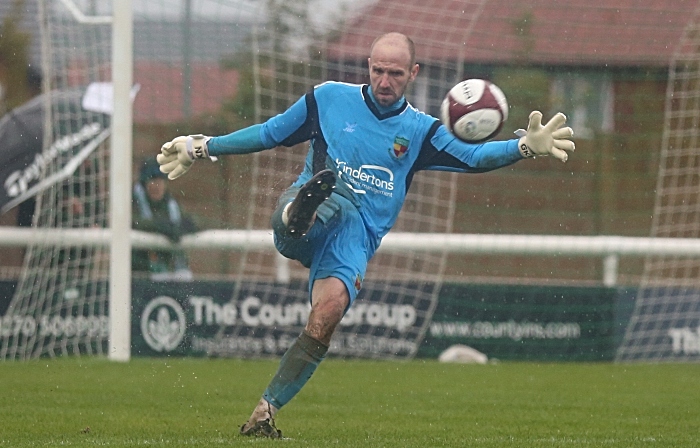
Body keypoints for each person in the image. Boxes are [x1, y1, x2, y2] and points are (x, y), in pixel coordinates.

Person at [156, 32, 575, 438]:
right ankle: (296, 215)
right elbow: (269, 133)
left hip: (357, 237)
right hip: (325, 194)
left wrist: (523, 147)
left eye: (395, 73)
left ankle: (264, 412)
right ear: (367, 67)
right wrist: (202, 146)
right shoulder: (328, 99)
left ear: (413, 73)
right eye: (378, 70)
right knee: (314, 209)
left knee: (329, 312)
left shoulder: (421, 131)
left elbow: (476, 156)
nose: (384, 81)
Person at [132, 158, 198, 281]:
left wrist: (185, 226)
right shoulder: (134, 203)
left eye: (160, 181)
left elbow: (195, 220)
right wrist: (160, 227)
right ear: (144, 184)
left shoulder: (171, 204)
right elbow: (134, 223)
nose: (156, 186)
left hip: (172, 270)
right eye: (152, 181)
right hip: (141, 274)